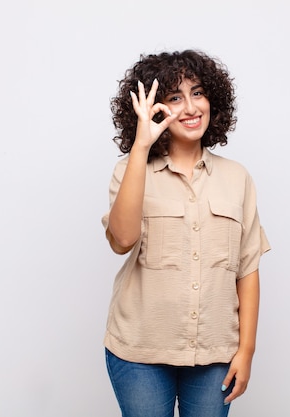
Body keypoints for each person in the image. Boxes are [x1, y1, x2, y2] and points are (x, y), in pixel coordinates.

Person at [101, 49, 270, 417]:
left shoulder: (236, 178)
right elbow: (122, 239)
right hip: (139, 352)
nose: (191, 107)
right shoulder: (130, 170)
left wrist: (247, 350)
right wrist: (141, 145)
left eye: (198, 93)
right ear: (155, 108)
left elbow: (248, 268)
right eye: (175, 97)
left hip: (214, 354)